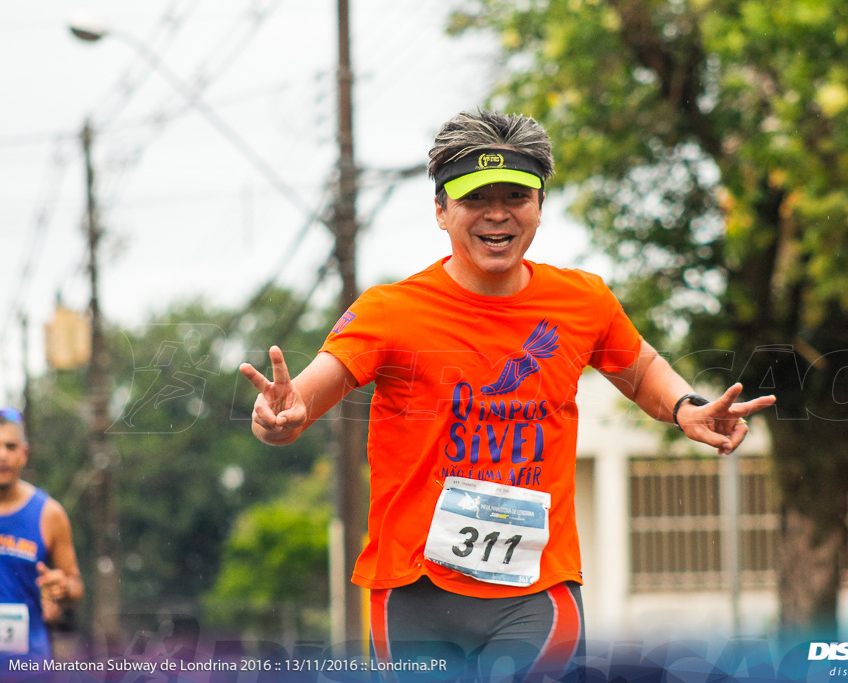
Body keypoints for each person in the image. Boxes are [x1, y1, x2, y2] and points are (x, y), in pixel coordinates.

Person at [240, 109, 776, 681]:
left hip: (537, 588)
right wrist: (283, 416)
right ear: (442, 211)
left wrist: (686, 407)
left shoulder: (583, 301)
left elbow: (640, 371)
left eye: (516, 195)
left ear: (540, 205)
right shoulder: (390, 312)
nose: (498, 214)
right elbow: (310, 393)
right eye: (476, 198)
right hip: (414, 591)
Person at [0, 408, 84, 672]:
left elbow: (75, 586)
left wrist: (61, 589)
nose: (2, 455)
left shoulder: (50, 514)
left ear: (24, 453)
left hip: (27, 668)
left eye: (10, 446)